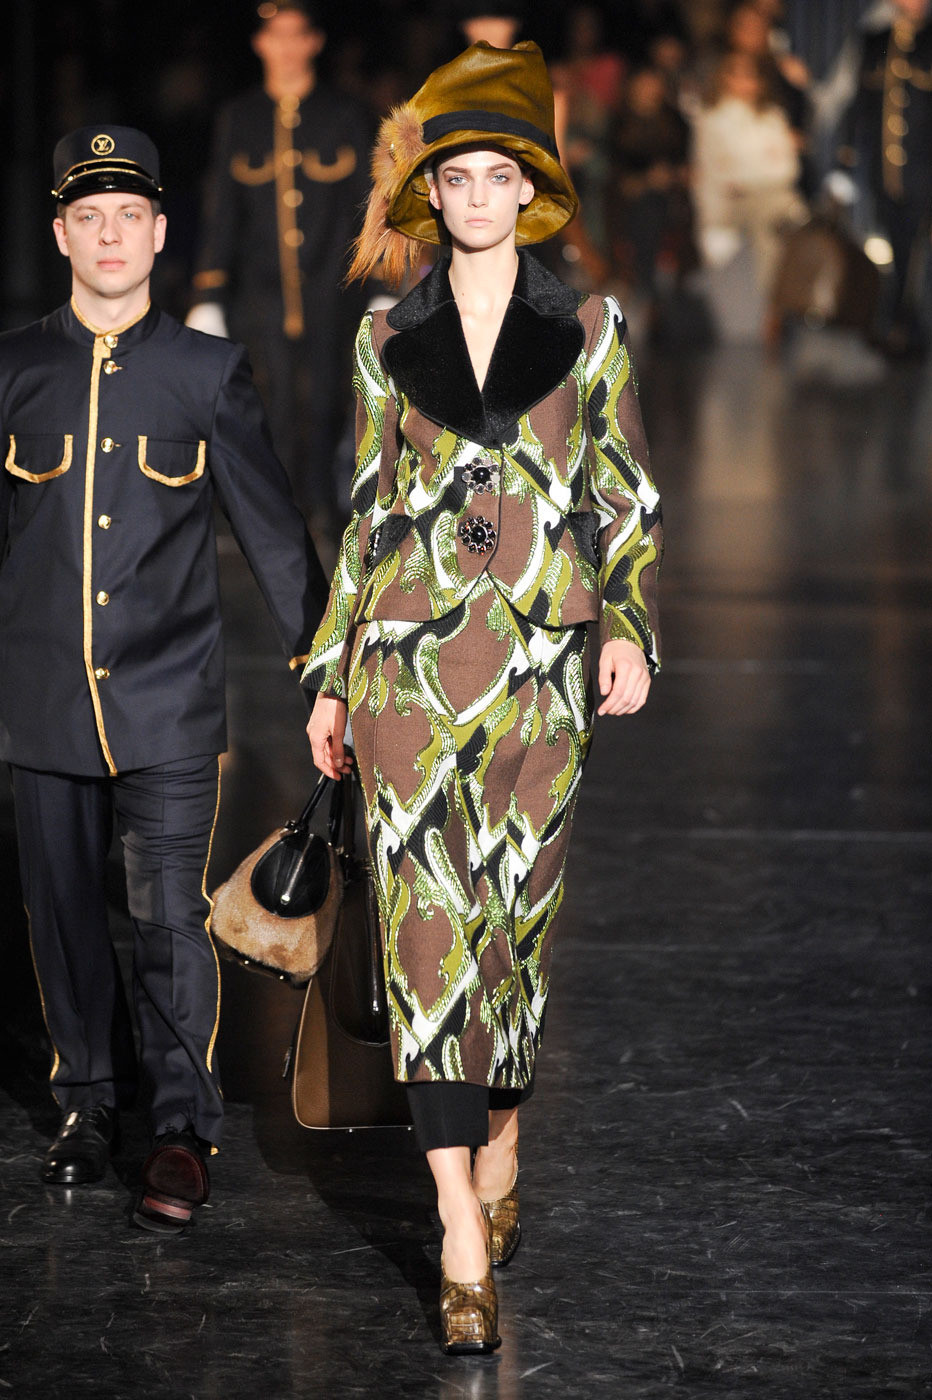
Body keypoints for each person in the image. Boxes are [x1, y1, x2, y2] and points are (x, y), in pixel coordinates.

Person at [303, 40, 662, 1355]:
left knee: (512, 929)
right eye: (451, 177)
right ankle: (456, 1220)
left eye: (494, 176)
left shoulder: (592, 329)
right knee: (426, 938)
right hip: (405, 665)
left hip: (542, 667)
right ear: (431, 194)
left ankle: (500, 1129)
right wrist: (330, 671)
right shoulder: (382, 337)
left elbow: (624, 491)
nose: (471, 196)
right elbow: (363, 513)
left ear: (529, 192)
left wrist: (629, 625)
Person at [0, 125, 327, 1232]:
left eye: (128, 215)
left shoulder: (204, 371)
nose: (109, 234)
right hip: (44, 697)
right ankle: (86, 1102)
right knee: (60, 915)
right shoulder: (15, 369)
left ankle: (182, 1128)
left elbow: (271, 529)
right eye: (88, 216)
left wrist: (323, 673)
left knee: (169, 918)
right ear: (60, 233)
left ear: (159, 233)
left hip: (171, 702)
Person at [187, 0, 373, 531]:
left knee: (331, 400)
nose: (287, 48)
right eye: (276, 36)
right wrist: (208, 292)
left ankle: (329, 514)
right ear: (259, 43)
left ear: (314, 41)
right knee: (271, 405)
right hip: (262, 290)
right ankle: (280, 517)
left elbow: (369, 204)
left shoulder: (345, 114)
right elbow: (222, 209)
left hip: (334, 288)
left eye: (297, 35)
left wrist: (383, 281)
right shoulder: (240, 117)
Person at [836, 0, 932, 354]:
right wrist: (846, 153)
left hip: (925, 168)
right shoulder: (875, 40)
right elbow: (860, 100)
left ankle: (907, 326)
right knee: (894, 244)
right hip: (886, 170)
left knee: (915, 249)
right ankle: (898, 324)